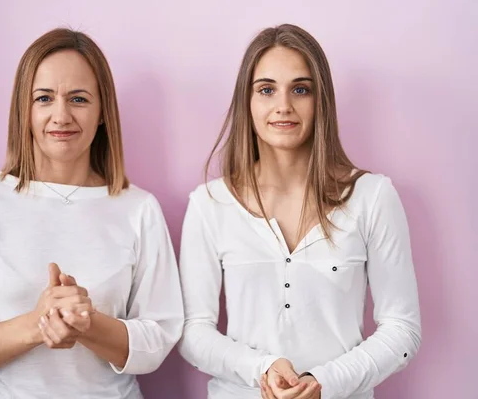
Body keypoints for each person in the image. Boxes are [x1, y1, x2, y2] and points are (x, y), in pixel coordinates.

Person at [0, 28, 184, 399]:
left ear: (102, 113)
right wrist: (40, 323)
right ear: (25, 109)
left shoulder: (139, 209)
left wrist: (87, 324)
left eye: (79, 99)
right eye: (44, 98)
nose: (61, 115)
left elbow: (158, 338)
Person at [177, 24, 421, 399]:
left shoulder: (373, 197)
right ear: (248, 101)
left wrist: (326, 381)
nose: (283, 105)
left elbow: (402, 329)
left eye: (301, 89)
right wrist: (262, 369)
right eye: (267, 89)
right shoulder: (210, 204)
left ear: (320, 100)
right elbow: (194, 333)